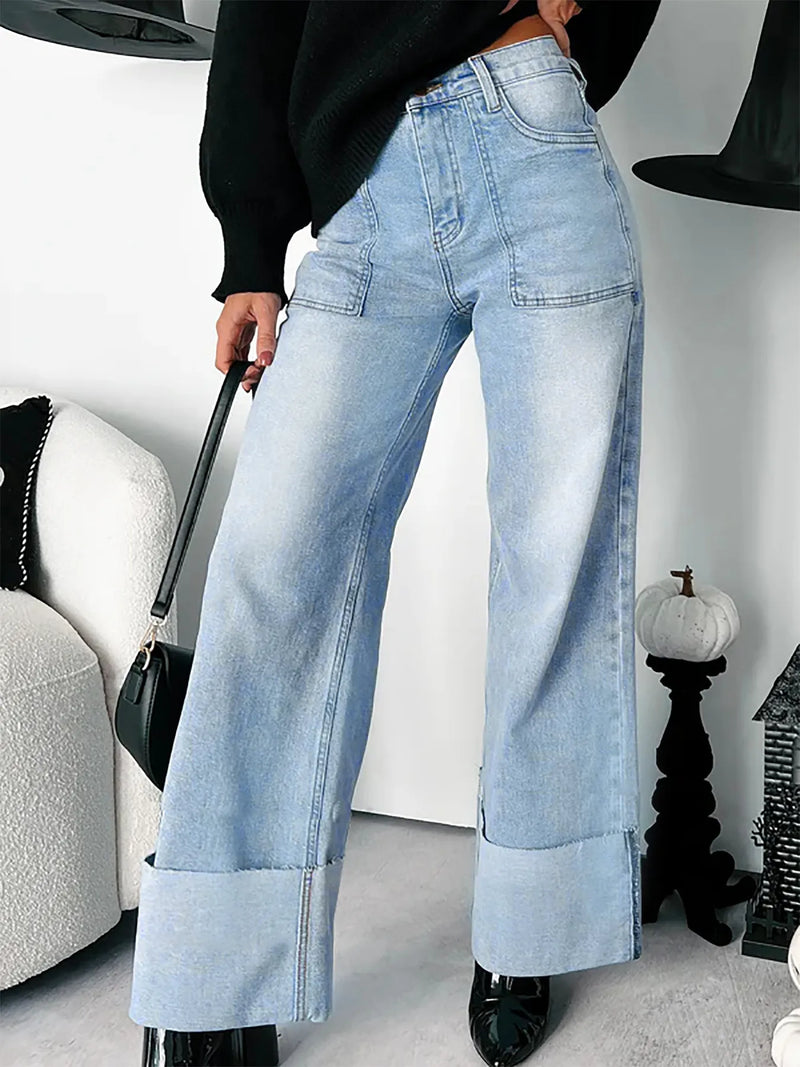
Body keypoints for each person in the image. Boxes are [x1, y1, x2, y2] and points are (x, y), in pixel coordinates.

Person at [129, 1, 661, 1064]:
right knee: (272, 566)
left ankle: (526, 928)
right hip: (369, 180)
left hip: (536, 133)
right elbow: (258, 20)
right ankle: (213, 973)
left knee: (553, 564)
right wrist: (249, 248)